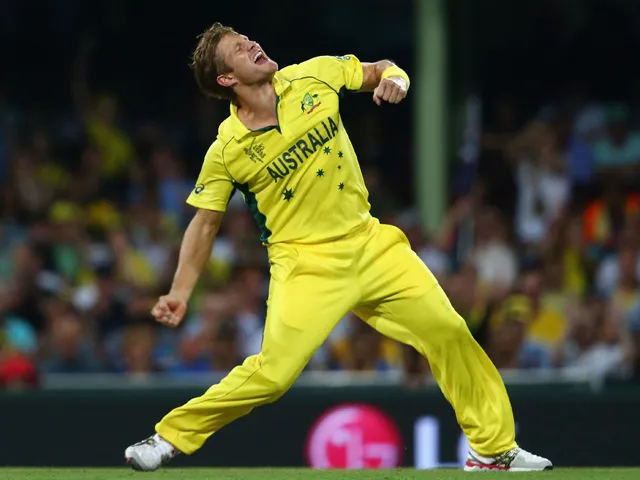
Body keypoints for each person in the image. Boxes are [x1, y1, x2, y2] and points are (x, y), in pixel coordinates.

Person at [124, 22, 552, 473]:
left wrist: (396, 79)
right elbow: (204, 223)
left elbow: (381, 69)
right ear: (227, 78)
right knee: (272, 375)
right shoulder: (227, 150)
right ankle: (168, 438)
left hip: (370, 244)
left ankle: (492, 449)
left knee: (448, 331)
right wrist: (180, 291)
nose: (252, 44)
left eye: (248, 39)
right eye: (238, 48)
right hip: (305, 265)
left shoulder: (314, 75)